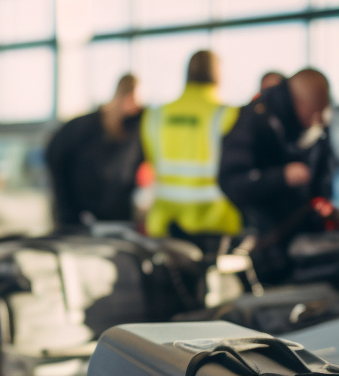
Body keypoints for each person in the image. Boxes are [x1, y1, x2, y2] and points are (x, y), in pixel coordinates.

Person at [218, 68, 333, 240]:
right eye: (313, 115)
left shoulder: (316, 125)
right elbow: (232, 181)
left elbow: (325, 173)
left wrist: (322, 203)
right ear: (298, 103)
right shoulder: (253, 120)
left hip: (308, 237)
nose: (317, 122)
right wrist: (281, 177)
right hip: (263, 240)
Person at [141, 50, 243, 238]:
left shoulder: (156, 115)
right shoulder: (229, 114)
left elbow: (151, 160)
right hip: (214, 223)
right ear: (218, 75)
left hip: (163, 223)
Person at [45, 73, 144, 228]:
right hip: (80, 216)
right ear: (126, 96)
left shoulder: (136, 127)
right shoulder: (84, 127)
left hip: (117, 216)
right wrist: (66, 210)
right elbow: (54, 155)